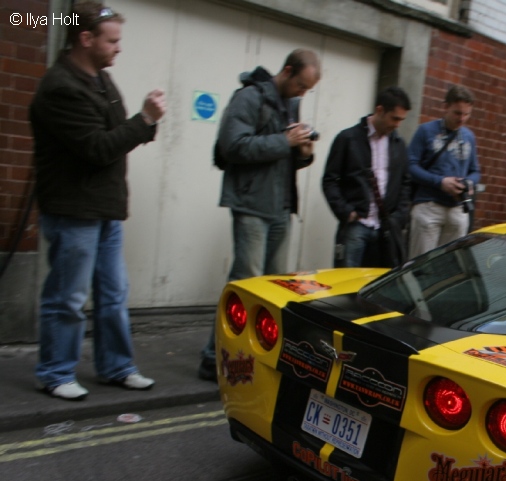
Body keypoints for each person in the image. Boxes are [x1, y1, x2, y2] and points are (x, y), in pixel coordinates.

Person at [30, 1, 166, 400]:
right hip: (74, 210)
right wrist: (144, 120)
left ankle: (116, 367)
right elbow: (97, 147)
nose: (118, 48)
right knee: (68, 297)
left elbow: (118, 134)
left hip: (104, 208)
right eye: (112, 40)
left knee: (113, 294)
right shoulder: (60, 87)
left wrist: (144, 123)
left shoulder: (101, 81)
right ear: (85, 38)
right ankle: (55, 373)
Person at [198, 49, 320, 381]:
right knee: (246, 287)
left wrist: (303, 152)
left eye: (307, 90)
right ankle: (213, 357)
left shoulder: (290, 103)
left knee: (274, 291)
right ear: (288, 70)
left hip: (280, 207)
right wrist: (284, 140)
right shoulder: (249, 97)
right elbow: (232, 146)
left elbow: (285, 156)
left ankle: (253, 357)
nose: (302, 94)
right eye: (301, 85)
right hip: (251, 205)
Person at [322, 86, 412, 268]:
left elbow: (406, 183)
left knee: (378, 285)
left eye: (401, 120)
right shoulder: (348, 138)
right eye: (394, 118)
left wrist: (398, 217)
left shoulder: (398, 143)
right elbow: (330, 180)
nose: (397, 125)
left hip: (386, 228)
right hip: (356, 225)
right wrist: (346, 212)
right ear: (380, 110)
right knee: (345, 282)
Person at [407, 85, 481, 258]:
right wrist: (440, 182)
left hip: (457, 209)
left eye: (466, 114)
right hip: (429, 205)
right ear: (446, 107)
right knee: (420, 264)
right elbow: (410, 166)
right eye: (457, 113)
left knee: (451, 265)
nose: (461, 119)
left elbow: (475, 171)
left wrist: (468, 184)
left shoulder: (469, 136)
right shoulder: (425, 131)